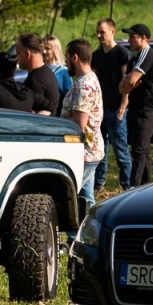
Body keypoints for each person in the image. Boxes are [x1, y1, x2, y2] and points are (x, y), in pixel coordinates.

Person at [91, 18, 133, 191]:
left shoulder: (122, 54)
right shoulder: (96, 55)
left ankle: (127, 185)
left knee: (121, 151)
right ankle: (98, 183)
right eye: (98, 32)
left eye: (103, 32)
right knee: (100, 150)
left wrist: (123, 106)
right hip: (100, 109)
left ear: (113, 32)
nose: (100, 35)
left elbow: (127, 82)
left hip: (116, 109)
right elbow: (93, 81)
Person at [61, 39, 104, 209]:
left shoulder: (84, 85)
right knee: (87, 199)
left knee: (71, 196)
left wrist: (57, 124)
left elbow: (79, 123)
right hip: (89, 150)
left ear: (75, 58)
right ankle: (91, 232)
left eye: (67, 57)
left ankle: (75, 235)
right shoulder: (87, 79)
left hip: (85, 152)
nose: (65, 62)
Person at [120, 23, 153, 188]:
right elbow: (123, 87)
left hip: (148, 109)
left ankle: (134, 187)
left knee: (139, 149)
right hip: (136, 108)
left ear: (143, 38)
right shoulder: (134, 61)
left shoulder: (148, 54)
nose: (129, 39)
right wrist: (128, 84)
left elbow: (129, 81)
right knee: (142, 150)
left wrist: (129, 83)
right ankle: (146, 186)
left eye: (132, 36)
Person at [17, 33, 59, 115]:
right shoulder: (46, 73)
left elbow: (34, 115)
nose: (16, 56)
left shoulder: (37, 80)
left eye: (18, 52)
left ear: (28, 54)